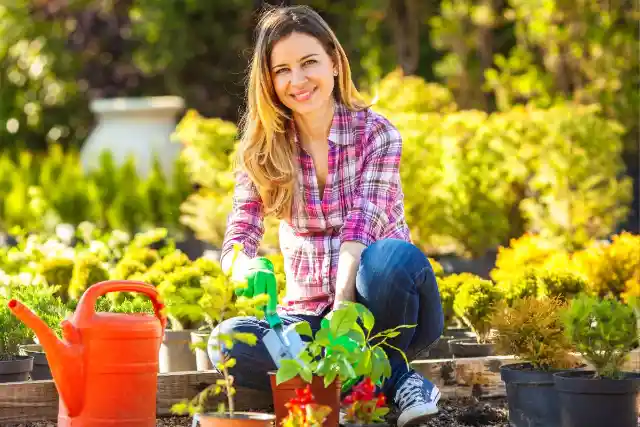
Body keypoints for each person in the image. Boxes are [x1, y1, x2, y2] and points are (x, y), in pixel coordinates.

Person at [208, 5, 444, 427]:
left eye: (308, 62)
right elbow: (238, 234)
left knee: (387, 260)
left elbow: (360, 229)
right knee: (226, 342)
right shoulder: (260, 151)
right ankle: (390, 383)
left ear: (334, 62)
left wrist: (342, 309)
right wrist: (243, 267)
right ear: (268, 80)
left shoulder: (377, 134)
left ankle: (365, 375)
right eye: (282, 70)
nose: (296, 81)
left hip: (384, 306)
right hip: (309, 320)